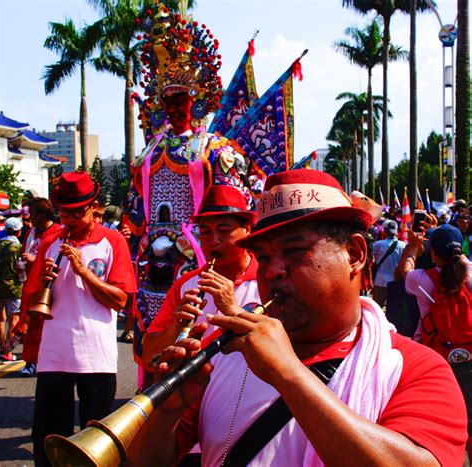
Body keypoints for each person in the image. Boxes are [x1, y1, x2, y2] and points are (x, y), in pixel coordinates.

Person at [127, 169, 467, 466]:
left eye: (293, 251)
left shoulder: (418, 368)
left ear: (355, 254)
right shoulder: (224, 354)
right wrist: (166, 411)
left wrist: (288, 374)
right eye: (262, 257)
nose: (272, 271)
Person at [125, 5, 250, 386]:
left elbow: (236, 210)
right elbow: (136, 213)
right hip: (154, 263)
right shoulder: (148, 152)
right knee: (154, 335)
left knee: (205, 337)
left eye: (181, 98)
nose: (174, 107)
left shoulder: (215, 149)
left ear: (197, 99)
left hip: (201, 257)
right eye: (168, 100)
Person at [26, 172, 137, 467]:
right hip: (54, 355)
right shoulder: (51, 242)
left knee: (98, 440)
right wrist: (43, 280)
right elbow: (34, 297)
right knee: (47, 438)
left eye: (78, 212)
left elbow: (120, 299)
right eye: (65, 212)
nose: (70, 219)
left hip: (95, 356)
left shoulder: (112, 241)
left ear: (94, 207)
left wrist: (84, 271)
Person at [142, 184, 258, 367]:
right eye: (205, 232)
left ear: (248, 229)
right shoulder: (186, 285)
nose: (214, 241)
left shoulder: (268, 278)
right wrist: (176, 328)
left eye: (224, 230)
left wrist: (231, 307)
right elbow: (149, 356)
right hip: (195, 394)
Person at [397, 223, 472, 459]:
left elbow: (404, 271)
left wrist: (413, 248)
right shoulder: (470, 274)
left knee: (438, 419)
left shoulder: (420, 279)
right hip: (470, 355)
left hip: (433, 358)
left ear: (432, 253)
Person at [14, 197, 62, 376]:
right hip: (30, 286)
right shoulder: (30, 233)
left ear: (42, 214)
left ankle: (51, 361)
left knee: (50, 328)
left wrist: (37, 260)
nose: (28, 218)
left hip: (49, 287)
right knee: (31, 327)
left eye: (32, 213)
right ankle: (31, 361)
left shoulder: (57, 231)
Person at [0, 217, 23, 362]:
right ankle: (7, 351)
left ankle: (1, 347)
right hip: (13, 288)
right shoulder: (17, 248)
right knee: (14, 318)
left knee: (0, 319)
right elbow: (20, 269)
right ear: (18, 231)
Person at [371, 219, 405, 307]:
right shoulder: (403, 245)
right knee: (393, 309)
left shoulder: (378, 244)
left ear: (385, 231)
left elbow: (369, 257)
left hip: (380, 281)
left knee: (377, 308)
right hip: (395, 282)